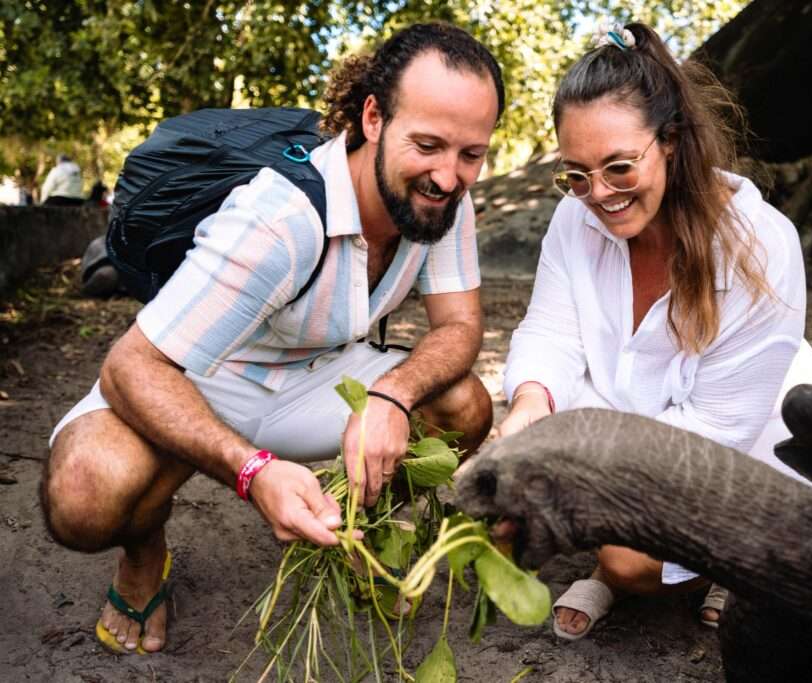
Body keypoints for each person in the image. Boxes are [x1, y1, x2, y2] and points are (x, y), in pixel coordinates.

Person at [41, 22, 503, 655]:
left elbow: (459, 327)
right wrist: (251, 469)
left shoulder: (445, 203)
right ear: (373, 118)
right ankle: (145, 556)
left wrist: (392, 398)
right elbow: (131, 366)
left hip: (314, 377)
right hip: (196, 376)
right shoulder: (280, 218)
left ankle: (351, 528)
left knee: (464, 406)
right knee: (84, 495)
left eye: (470, 154)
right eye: (427, 145)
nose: (449, 177)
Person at [496, 22, 812, 640]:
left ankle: (720, 567)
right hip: (620, 423)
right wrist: (529, 404)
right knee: (588, 516)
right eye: (575, 174)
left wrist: (567, 469)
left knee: (628, 561)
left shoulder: (761, 246)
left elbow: (716, 431)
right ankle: (626, 556)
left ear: (672, 141)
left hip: (734, 450)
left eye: (619, 167)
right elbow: (550, 332)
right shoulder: (575, 220)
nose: (598, 194)